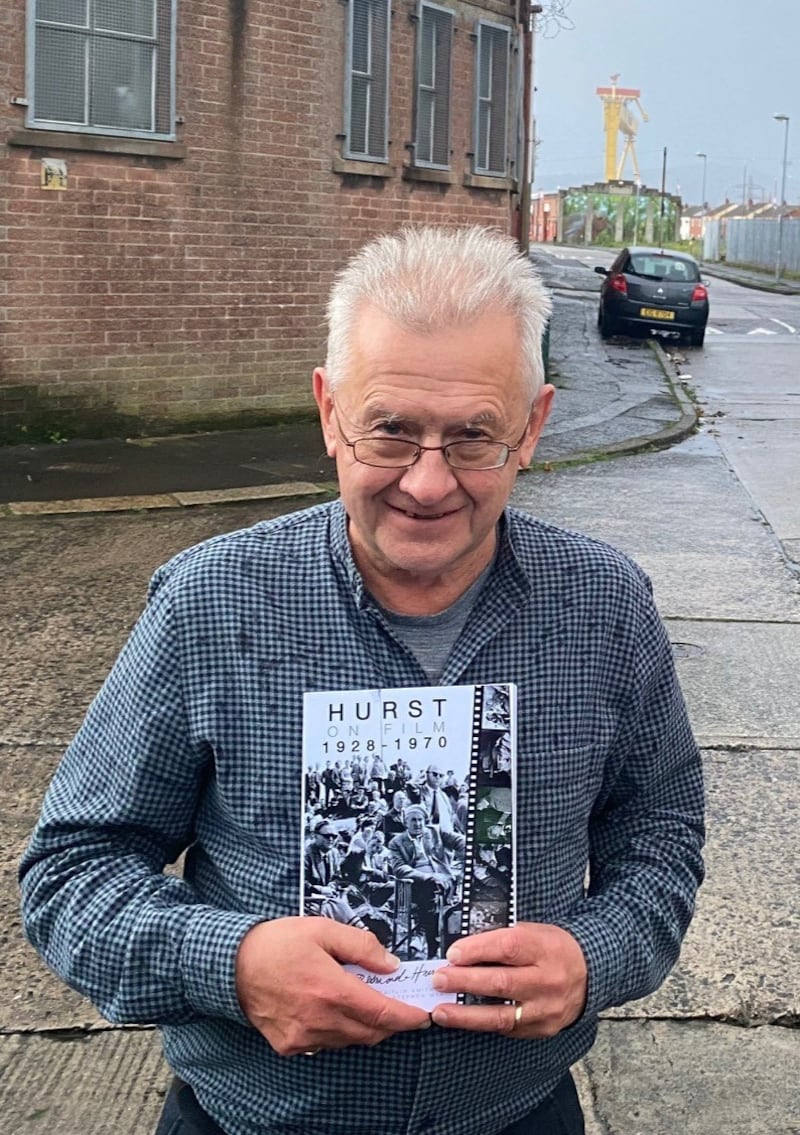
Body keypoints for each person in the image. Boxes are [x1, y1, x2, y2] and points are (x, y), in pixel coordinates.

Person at [19, 226, 704, 1135]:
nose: (427, 483)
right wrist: (228, 962)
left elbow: (661, 833)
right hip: (252, 1119)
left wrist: (595, 956)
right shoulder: (209, 603)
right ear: (328, 411)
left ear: (532, 427)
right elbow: (70, 875)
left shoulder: (606, 605)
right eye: (390, 429)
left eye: (473, 436)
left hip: (517, 1114)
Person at [387, 805, 466, 958]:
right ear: (406, 822)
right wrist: (425, 876)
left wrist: (464, 862)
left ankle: (425, 935)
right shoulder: (396, 842)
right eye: (413, 820)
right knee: (431, 889)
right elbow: (399, 868)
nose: (417, 824)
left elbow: (460, 840)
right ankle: (432, 941)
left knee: (438, 892)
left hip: (441, 877)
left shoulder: (434, 832)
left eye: (420, 820)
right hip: (415, 883)